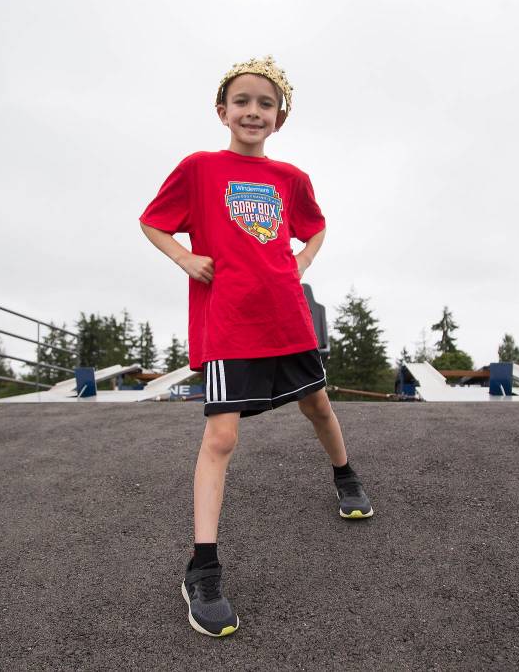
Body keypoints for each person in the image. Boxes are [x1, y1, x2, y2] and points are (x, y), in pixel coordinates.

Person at [139, 56, 373, 638]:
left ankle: (344, 475)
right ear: (222, 111)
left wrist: (302, 261)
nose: (253, 111)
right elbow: (152, 221)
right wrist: (186, 259)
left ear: (279, 118)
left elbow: (315, 226)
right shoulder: (198, 168)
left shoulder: (291, 179)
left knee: (317, 405)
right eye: (242, 101)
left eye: (265, 103)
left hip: (286, 319)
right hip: (230, 323)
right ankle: (203, 568)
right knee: (222, 435)